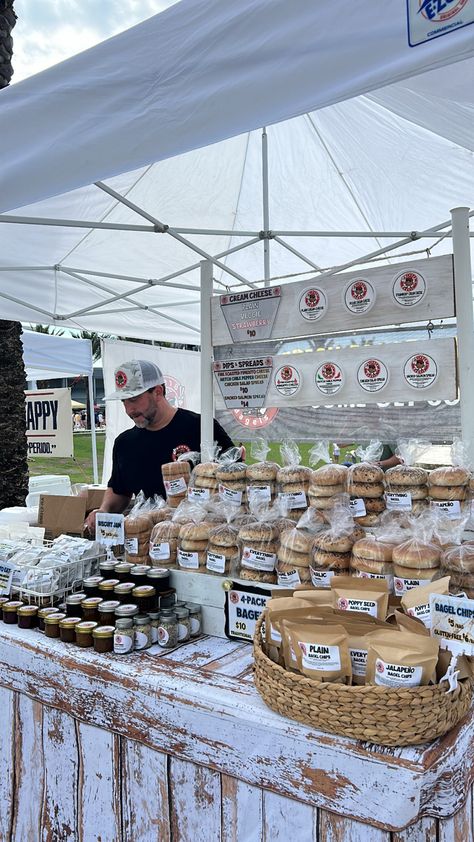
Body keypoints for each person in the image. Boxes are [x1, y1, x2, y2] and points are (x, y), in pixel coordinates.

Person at [84, 359, 235, 533]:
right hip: (146, 541)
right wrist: (103, 511)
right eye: (124, 402)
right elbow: (120, 491)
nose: (129, 410)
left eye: (133, 399)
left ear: (158, 392)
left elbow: (234, 480)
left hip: (199, 537)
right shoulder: (124, 443)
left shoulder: (201, 427)